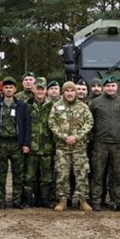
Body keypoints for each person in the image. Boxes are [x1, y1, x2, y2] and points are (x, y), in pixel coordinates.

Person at [49, 81, 93, 211]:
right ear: (63, 92)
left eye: (72, 91)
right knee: (62, 173)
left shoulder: (83, 107)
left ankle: (83, 200)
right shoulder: (57, 106)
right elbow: (52, 123)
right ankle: (62, 200)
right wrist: (64, 137)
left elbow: (89, 123)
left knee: (82, 173)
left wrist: (77, 137)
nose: (69, 93)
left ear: (75, 92)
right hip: (62, 147)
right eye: (67, 91)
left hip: (79, 147)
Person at [88, 77, 120, 211]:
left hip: (118, 144)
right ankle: (96, 200)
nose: (110, 88)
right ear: (103, 88)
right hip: (101, 144)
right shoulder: (95, 103)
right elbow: (91, 122)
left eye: (112, 86)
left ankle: (119, 200)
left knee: (118, 173)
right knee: (98, 173)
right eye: (108, 86)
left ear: (116, 87)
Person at [0, 77, 31, 208]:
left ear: (15, 89)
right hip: (1, 143)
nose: (8, 90)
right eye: (6, 87)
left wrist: (26, 144)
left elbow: (26, 126)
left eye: (11, 87)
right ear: (2, 89)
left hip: (16, 144)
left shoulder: (22, 106)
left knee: (18, 174)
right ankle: (1, 200)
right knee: (0, 174)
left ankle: (16, 200)